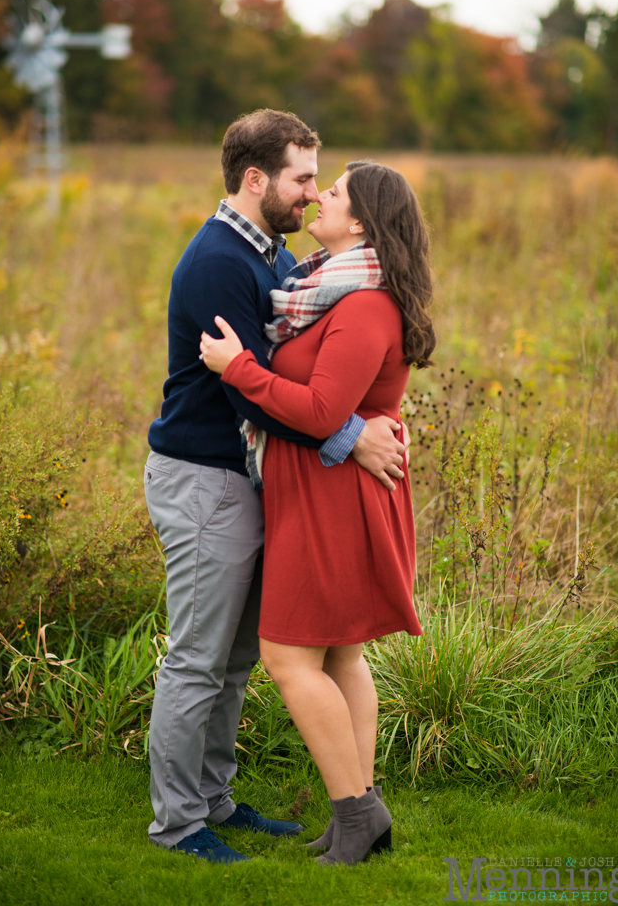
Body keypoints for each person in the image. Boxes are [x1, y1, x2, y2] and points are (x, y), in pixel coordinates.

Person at [144, 110, 409, 864]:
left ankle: (215, 800)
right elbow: (249, 393)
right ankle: (177, 824)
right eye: (300, 178)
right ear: (254, 179)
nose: (310, 192)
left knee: (232, 661)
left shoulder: (275, 256)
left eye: (318, 180)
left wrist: (374, 410)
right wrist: (353, 435)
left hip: (250, 480)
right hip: (205, 480)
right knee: (197, 658)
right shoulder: (218, 263)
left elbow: (318, 359)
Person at [200, 160, 435, 866]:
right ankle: (359, 814)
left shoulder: (363, 305)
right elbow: (351, 405)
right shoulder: (327, 289)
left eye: (330, 193)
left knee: (287, 655)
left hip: (333, 496)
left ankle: (358, 812)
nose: (317, 199)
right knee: (337, 653)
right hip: (326, 485)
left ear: (360, 221)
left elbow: (326, 410)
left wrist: (238, 367)